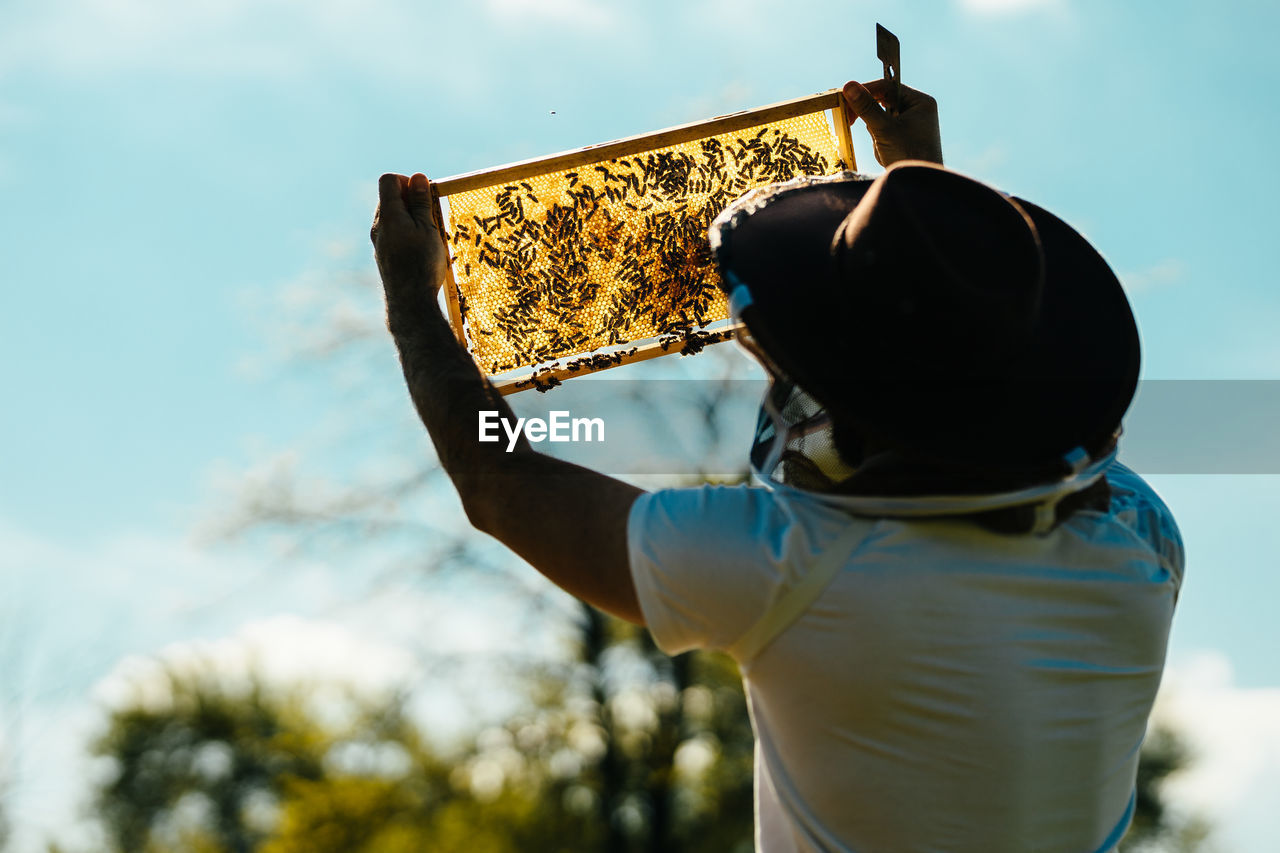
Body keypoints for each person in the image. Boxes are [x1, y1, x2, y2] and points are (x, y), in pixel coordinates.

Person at [370, 78, 1183, 853]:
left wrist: (413, 303)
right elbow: (959, 365)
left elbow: (504, 485)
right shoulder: (1141, 538)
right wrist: (918, 194)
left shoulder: (791, 568)